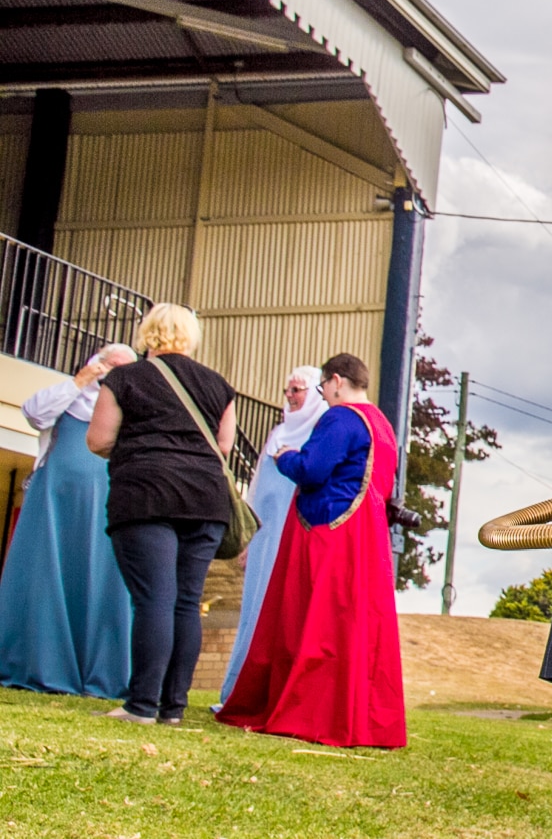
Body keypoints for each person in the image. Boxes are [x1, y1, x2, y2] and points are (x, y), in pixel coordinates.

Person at [218, 354, 404, 748]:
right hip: (366, 535)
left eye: (323, 388)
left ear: (336, 381)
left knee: (312, 623)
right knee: (351, 626)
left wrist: (284, 456)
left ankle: (312, 711)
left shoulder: (341, 418)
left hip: (327, 530)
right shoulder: (383, 426)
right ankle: (354, 718)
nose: (325, 395)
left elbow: (313, 469)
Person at [88, 304, 236, 726]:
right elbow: (223, 447)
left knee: (154, 598)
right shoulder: (218, 385)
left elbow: (98, 440)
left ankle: (141, 705)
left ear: (147, 333)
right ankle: (172, 707)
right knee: (186, 602)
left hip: (146, 495)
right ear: (191, 336)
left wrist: (144, 449)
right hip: (205, 501)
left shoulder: (124, 378)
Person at [0, 343, 137, 698]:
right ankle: (36, 664)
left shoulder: (132, 411)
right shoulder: (68, 395)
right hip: (55, 502)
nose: (111, 373)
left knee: (100, 583)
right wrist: (82, 380)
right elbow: (34, 413)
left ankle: (99, 674)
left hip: (108, 505)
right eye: (108, 364)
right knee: (44, 577)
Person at [216, 365, 327, 707]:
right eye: (288, 390)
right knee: (254, 607)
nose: (291, 397)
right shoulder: (278, 432)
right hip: (265, 537)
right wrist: (248, 534)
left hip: (292, 537)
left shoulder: (319, 434)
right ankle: (239, 690)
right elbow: (256, 489)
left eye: (298, 390)